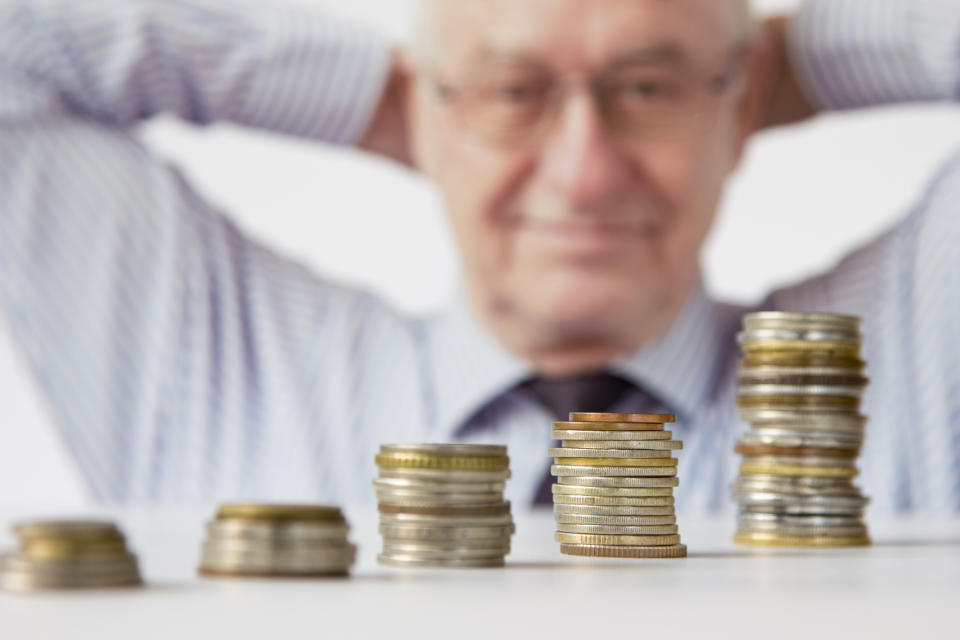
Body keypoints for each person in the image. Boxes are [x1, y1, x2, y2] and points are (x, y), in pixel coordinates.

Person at [0, 0, 957, 512]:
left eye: (649, 87)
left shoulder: (907, 357)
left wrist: (788, 62)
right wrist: (379, 101)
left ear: (741, 106)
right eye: (514, 91)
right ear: (428, 108)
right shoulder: (219, 367)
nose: (583, 176)